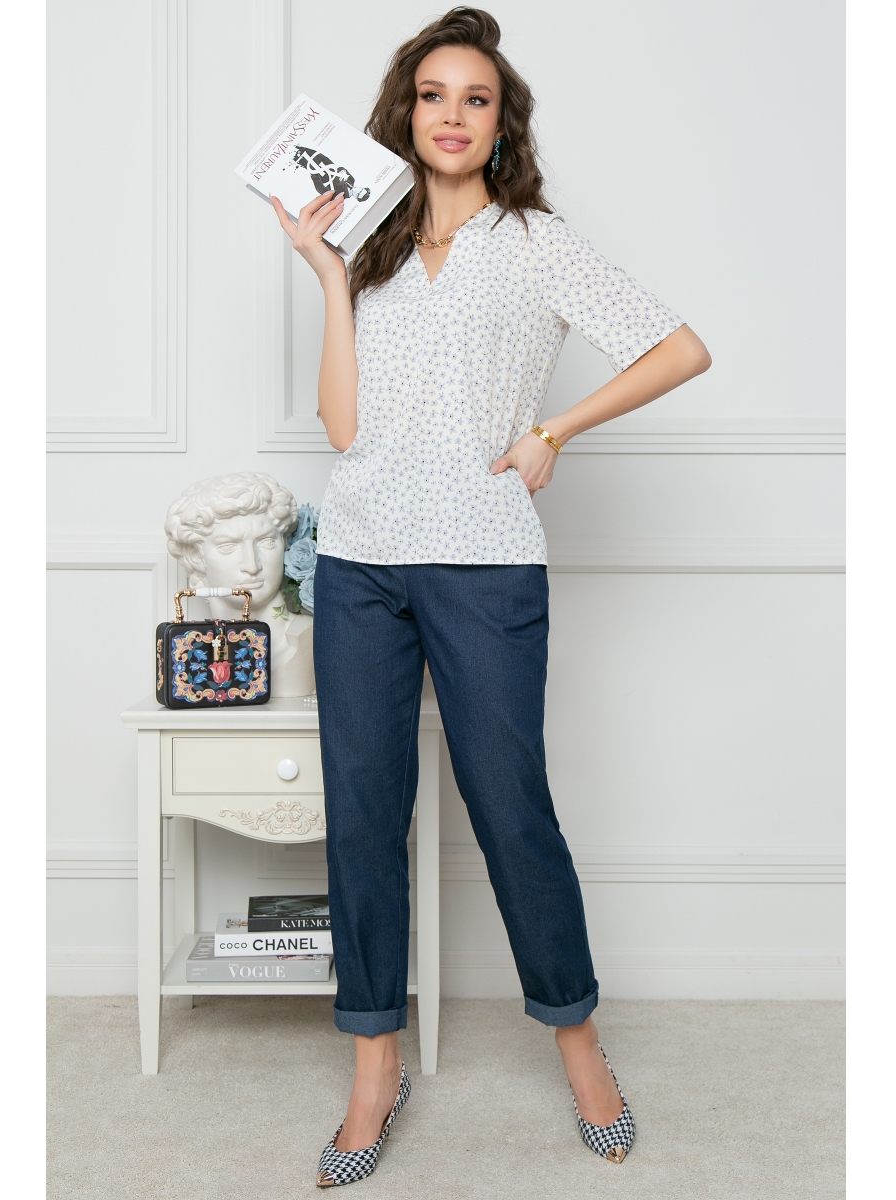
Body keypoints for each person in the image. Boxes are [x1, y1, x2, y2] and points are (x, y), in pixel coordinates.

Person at [270, 7, 710, 1187]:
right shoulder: (368, 244)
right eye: (432, 95)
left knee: (512, 808)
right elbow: (346, 431)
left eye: (475, 98)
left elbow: (679, 348)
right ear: (403, 115)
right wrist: (326, 275)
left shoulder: (535, 242)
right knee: (364, 816)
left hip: (485, 556)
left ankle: (580, 1045)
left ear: (503, 122)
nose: (451, 115)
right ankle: (375, 1069)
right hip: (360, 559)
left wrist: (554, 429)